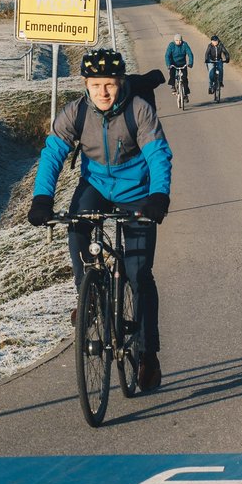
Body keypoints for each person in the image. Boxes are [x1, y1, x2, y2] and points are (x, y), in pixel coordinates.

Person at [27, 48, 172, 389]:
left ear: (120, 83)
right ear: (86, 85)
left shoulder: (140, 111)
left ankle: (148, 354)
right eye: (95, 85)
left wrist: (159, 196)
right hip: (95, 185)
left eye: (109, 84)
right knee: (77, 226)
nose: (103, 92)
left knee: (138, 274)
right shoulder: (75, 113)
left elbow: (158, 154)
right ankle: (88, 295)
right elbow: (52, 154)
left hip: (137, 189)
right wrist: (42, 198)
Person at [164, 33, 194, 98]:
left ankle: (185, 94)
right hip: (173, 63)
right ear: (174, 41)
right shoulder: (171, 45)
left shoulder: (184, 45)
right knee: (172, 74)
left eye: (180, 40)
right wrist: (168, 64)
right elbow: (167, 56)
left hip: (183, 64)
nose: (178, 42)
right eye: (177, 40)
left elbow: (190, 54)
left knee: (184, 78)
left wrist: (190, 63)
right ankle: (173, 86)